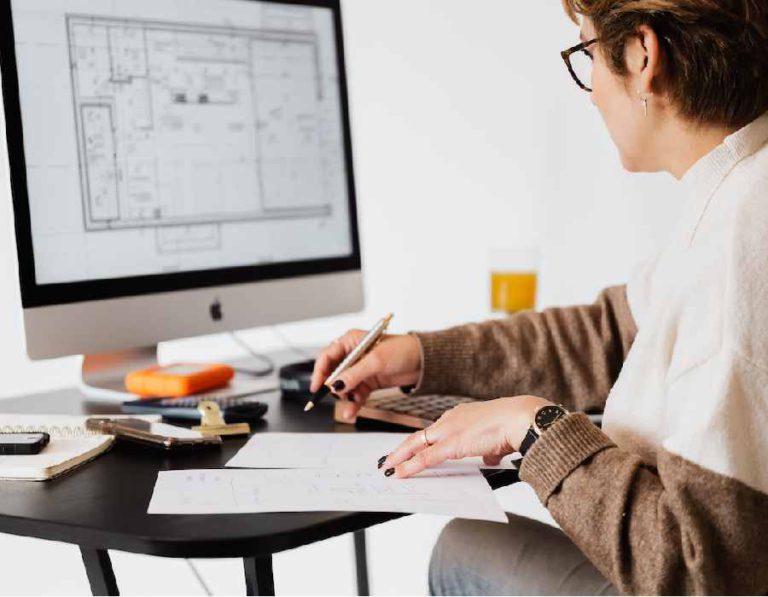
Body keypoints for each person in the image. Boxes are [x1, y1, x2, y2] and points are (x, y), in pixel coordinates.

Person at [311, 0, 768, 594]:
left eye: (587, 55)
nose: (592, 92)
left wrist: (532, 428)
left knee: (465, 549)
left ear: (642, 55)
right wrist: (422, 355)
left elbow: (704, 572)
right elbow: (610, 334)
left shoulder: (738, 244)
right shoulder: (738, 187)